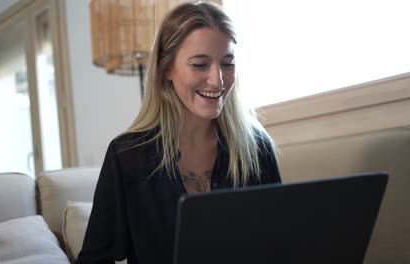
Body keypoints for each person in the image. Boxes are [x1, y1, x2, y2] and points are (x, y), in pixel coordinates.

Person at [76, 1, 281, 263]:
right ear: (166, 70)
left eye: (227, 63)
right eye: (200, 64)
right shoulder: (126, 156)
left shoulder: (257, 147)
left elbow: (278, 245)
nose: (218, 80)